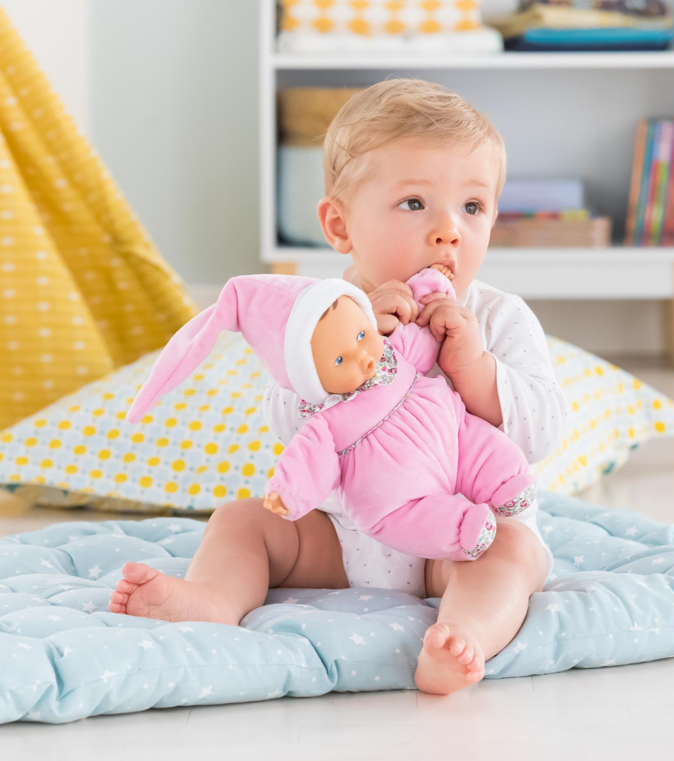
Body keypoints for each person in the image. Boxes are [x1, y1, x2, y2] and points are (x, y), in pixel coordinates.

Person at [108, 78, 569, 696]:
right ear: (339, 224)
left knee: (512, 552)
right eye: (414, 204)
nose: (448, 232)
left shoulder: (499, 318)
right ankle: (213, 598)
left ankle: (464, 639)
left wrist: (476, 369)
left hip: (457, 537)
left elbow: (541, 434)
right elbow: (288, 423)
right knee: (242, 521)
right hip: (341, 535)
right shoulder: (321, 314)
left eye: (472, 207)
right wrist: (339, 365)